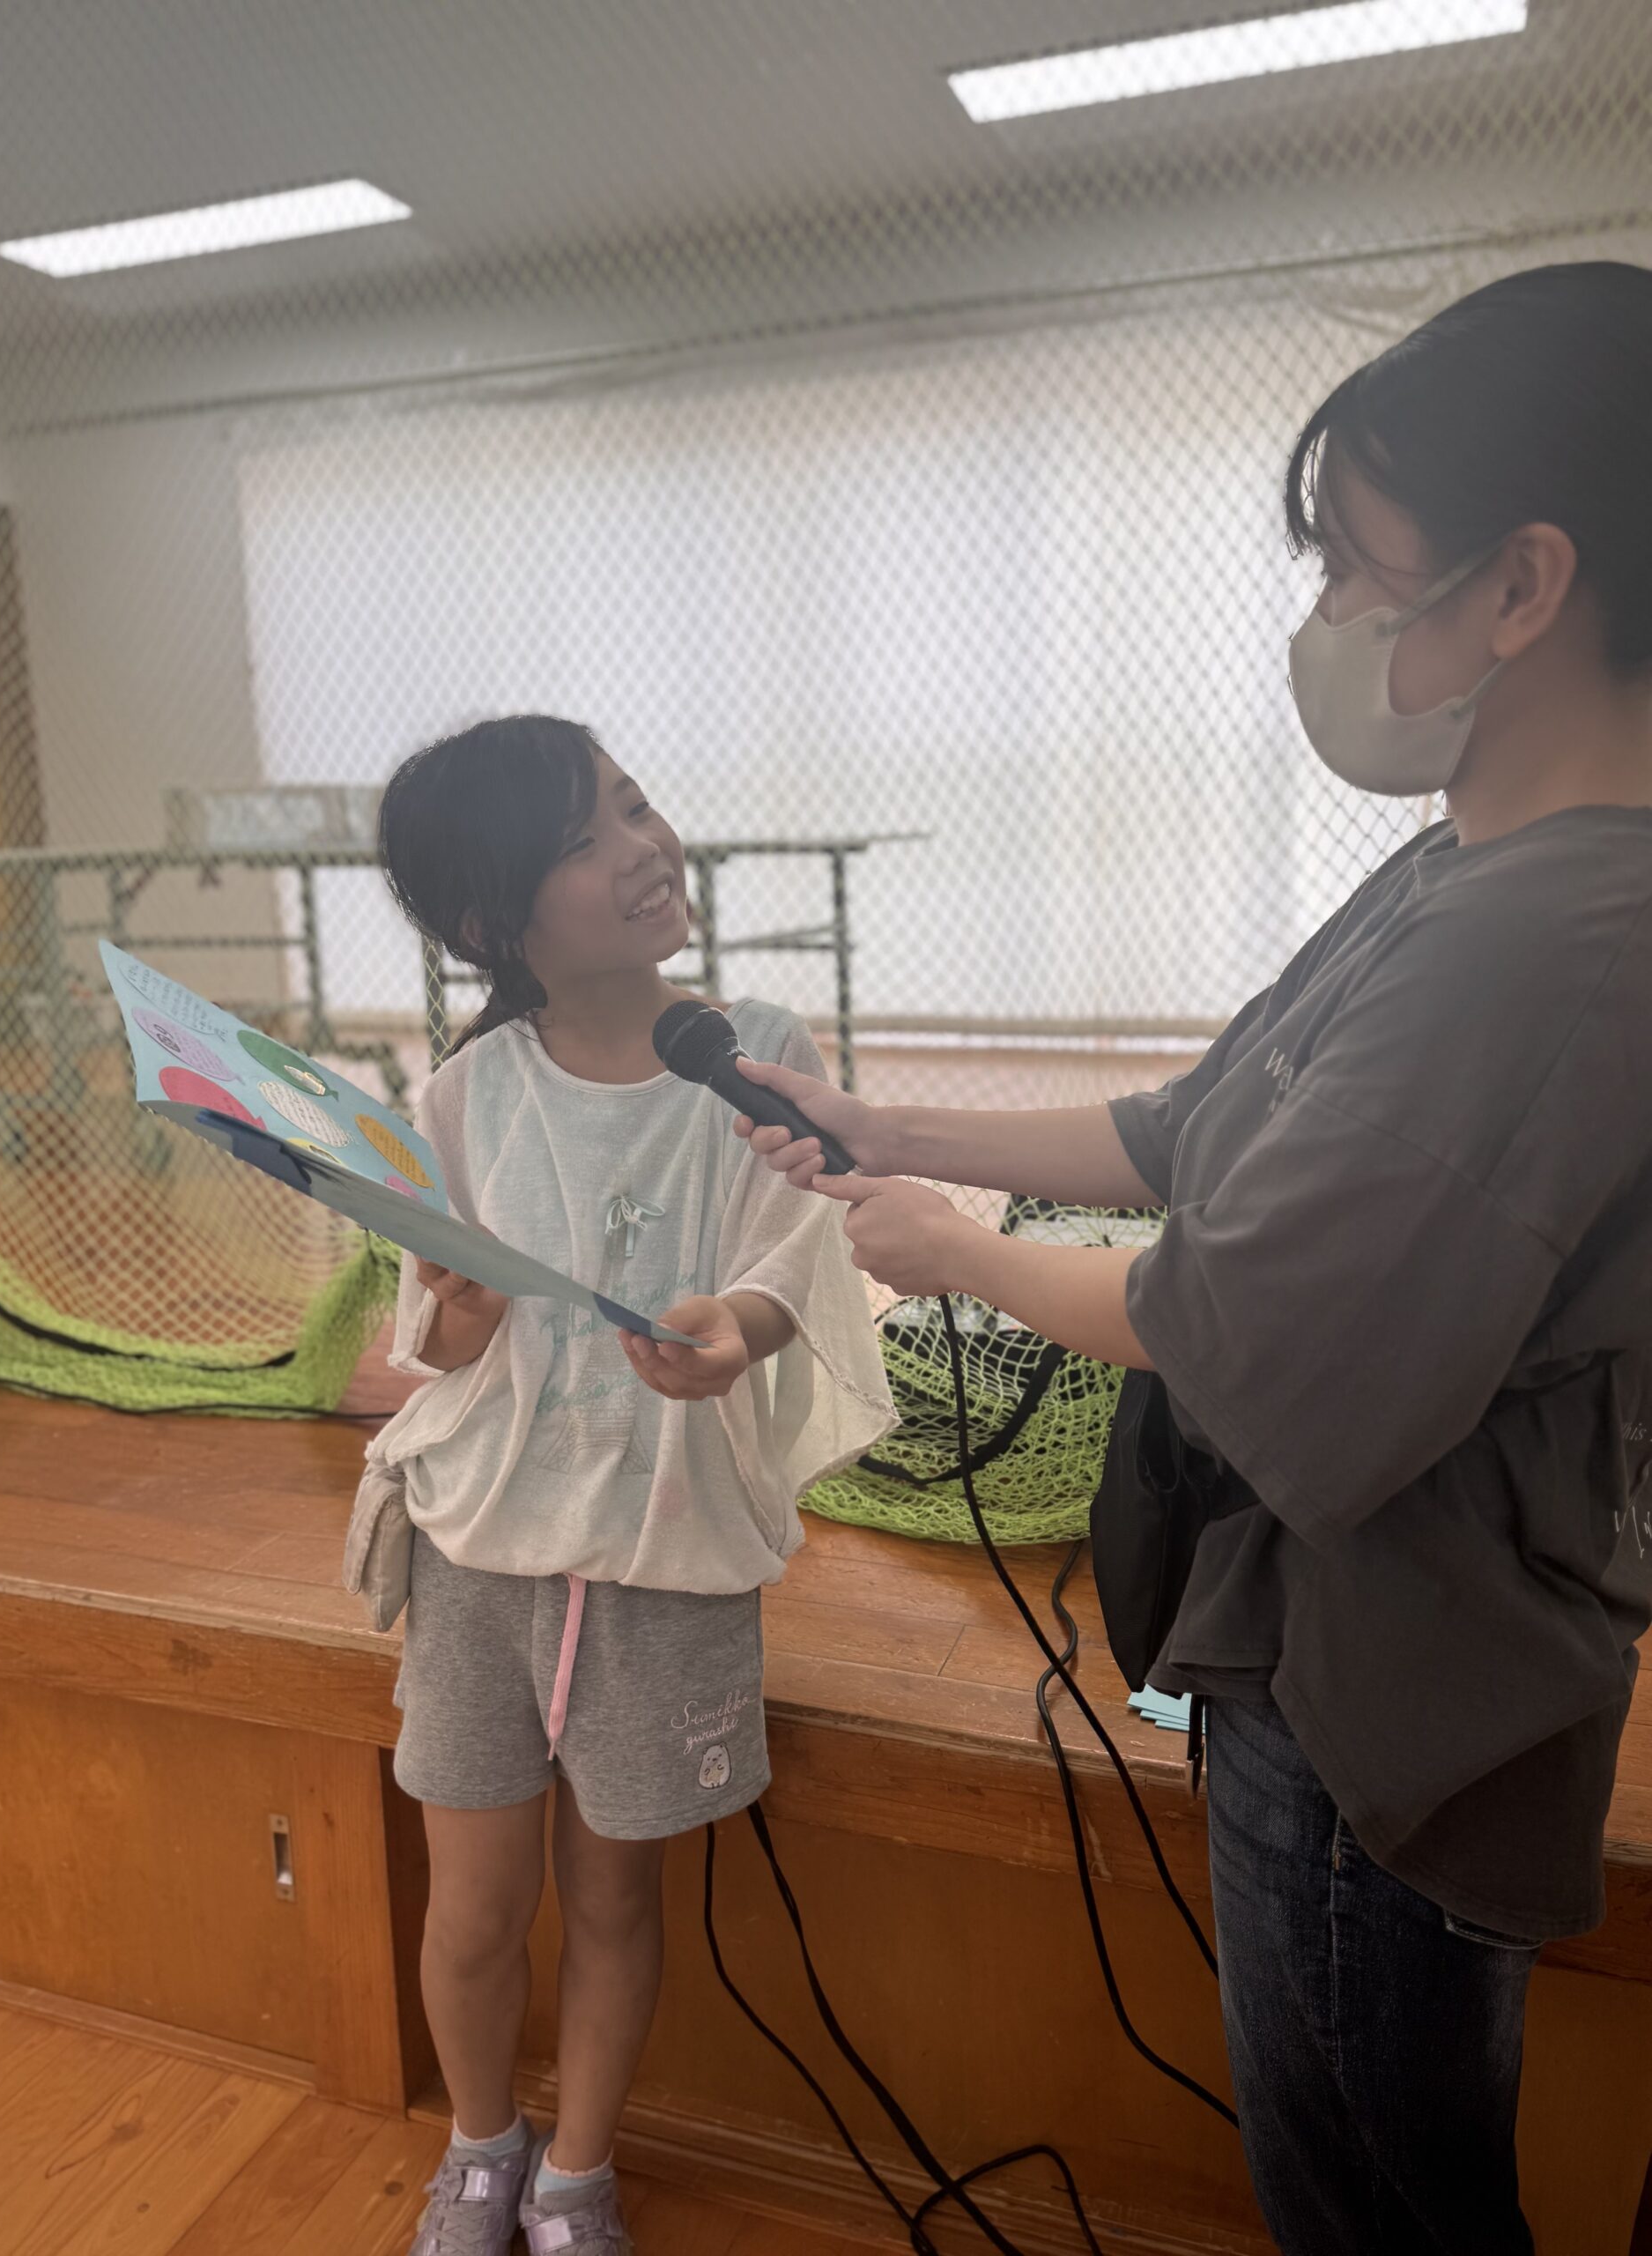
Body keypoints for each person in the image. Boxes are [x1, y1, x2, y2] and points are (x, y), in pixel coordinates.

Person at [733, 261, 1652, 2256]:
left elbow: (1225, 1314)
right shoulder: (1469, 867)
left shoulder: (1550, 943)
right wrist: (899, 1131)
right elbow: (1197, 1124)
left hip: (1390, 1702)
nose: (1325, 620)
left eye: (1354, 571)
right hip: (1328, 1644)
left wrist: (959, 1256)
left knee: (1376, 2197)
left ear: (1523, 584)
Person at [357, 716, 892, 2256]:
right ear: (491, 921)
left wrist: (743, 1327)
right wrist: (461, 1316)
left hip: (668, 1554)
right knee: (471, 1907)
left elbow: (799, 1259)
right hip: (484, 1555)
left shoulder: (758, 1052)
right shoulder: (465, 1097)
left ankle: (576, 2175)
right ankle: (480, 2151)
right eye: (586, 840)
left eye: (637, 807)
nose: (645, 849)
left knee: (614, 1902)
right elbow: (436, 1339)